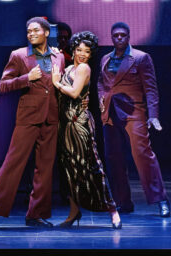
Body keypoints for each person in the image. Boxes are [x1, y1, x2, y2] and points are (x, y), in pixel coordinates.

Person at [0, 17, 65, 230]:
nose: (31, 34)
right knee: (12, 165)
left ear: (46, 33)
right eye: (28, 31)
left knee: (44, 169)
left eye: (35, 30)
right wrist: (26, 78)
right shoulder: (19, 55)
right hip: (27, 118)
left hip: (51, 118)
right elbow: (4, 85)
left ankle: (35, 215)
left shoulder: (58, 57)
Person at [98, 22, 170, 217]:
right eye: (116, 36)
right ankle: (123, 202)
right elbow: (101, 83)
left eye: (123, 35)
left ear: (128, 37)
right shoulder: (105, 59)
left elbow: (151, 88)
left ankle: (160, 199)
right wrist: (101, 102)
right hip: (110, 115)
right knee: (113, 159)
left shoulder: (140, 58)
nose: (119, 38)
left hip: (133, 112)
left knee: (143, 155)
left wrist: (153, 115)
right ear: (111, 38)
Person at [52, 31, 121, 229]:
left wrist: (56, 83)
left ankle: (112, 210)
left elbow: (74, 93)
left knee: (91, 168)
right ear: (73, 49)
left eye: (87, 51)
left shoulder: (83, 68)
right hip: (65, 126)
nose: (82, 54)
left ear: (91, 55)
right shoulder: (67, 68)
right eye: (79, 50)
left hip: (79, 124)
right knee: (70, 171)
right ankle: (74, 213)